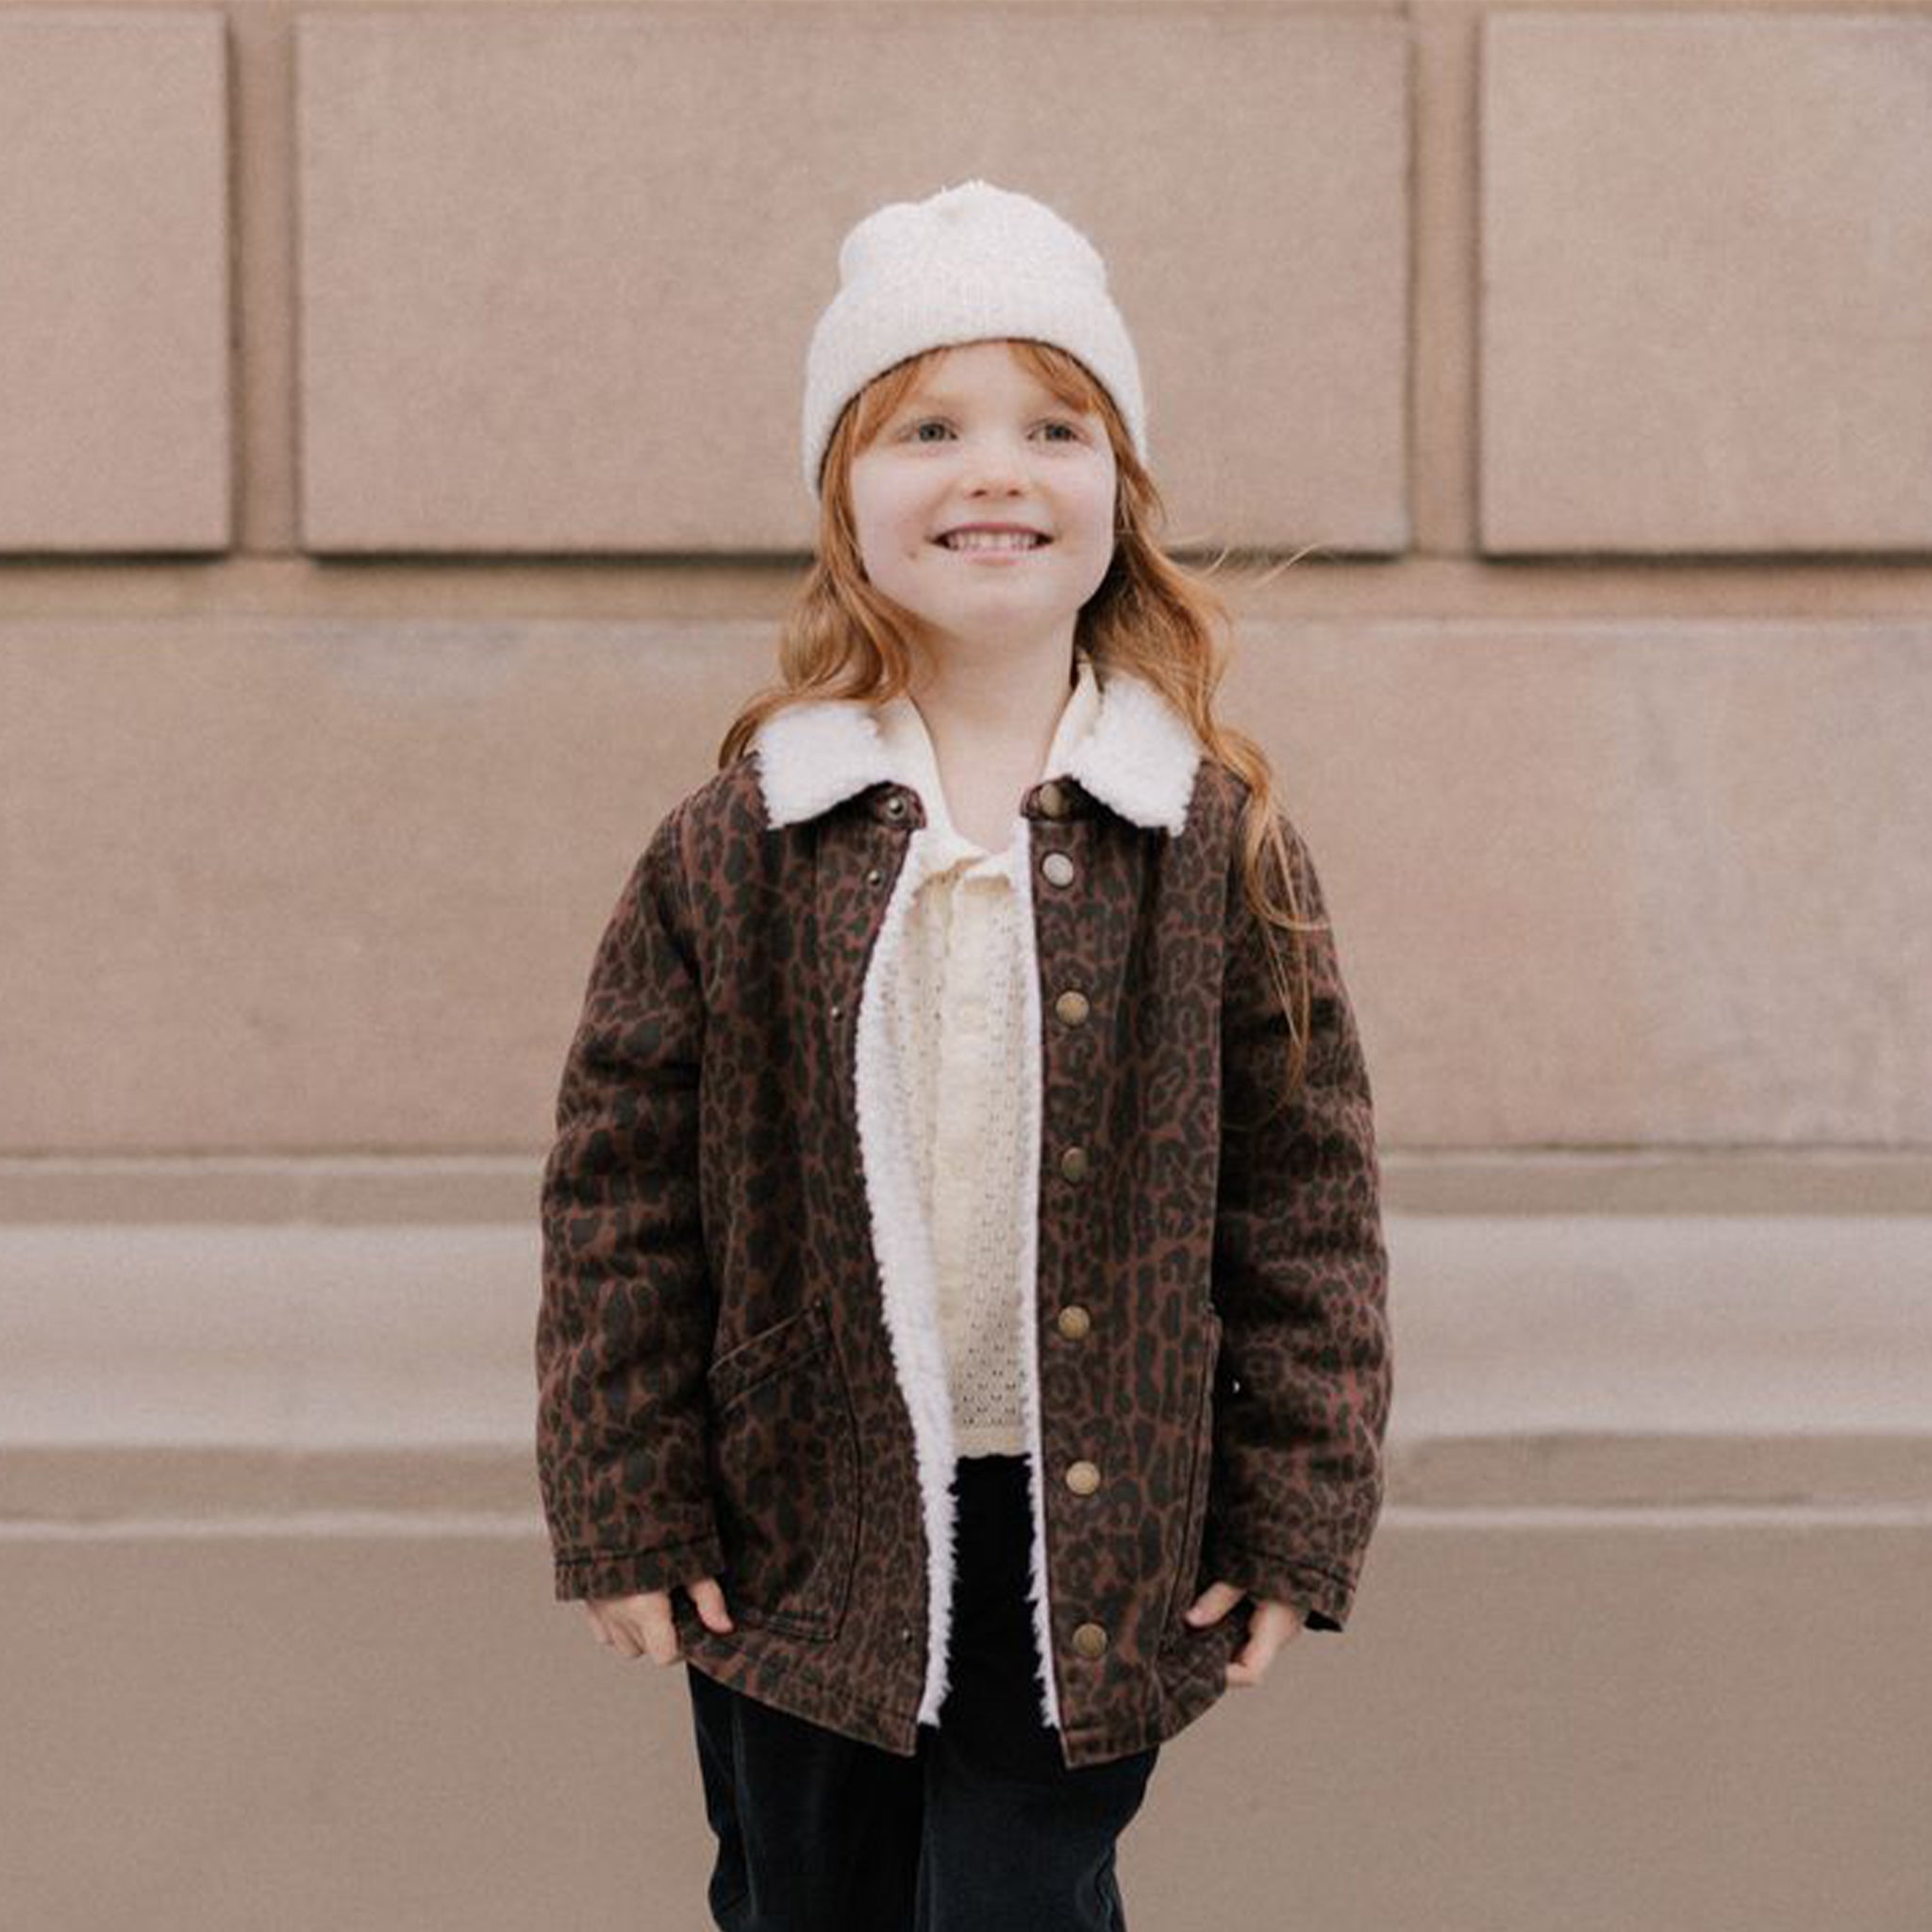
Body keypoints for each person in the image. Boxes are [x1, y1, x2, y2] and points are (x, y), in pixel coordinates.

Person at [534, 178, 1393, 1931]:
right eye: (930, 425)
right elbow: (619, 1205)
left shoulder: (1209, 844)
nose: (996, 468)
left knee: (1020, 1906)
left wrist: (1288, 1515)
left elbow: (1307, 1208)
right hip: (802, 1519)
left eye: (1053, 426)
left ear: (1116, 498)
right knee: (802, 1896)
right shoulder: (738, 841)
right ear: (845, 504)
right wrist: (627, 1503)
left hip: (1096, 1520)